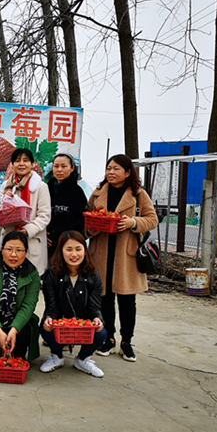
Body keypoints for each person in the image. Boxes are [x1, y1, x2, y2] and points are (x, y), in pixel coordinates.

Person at [86, 154, 158, 362]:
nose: (111, 172)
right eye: (108, 168)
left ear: (127, 172)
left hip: (126, 255)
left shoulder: (138, 194)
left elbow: (152, 219)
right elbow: (87, 219)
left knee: (127, 300)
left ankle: (126, 342)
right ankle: (108, 339)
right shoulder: (98, 193)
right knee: (104, 299)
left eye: (116, 168)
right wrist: (94, 226)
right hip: (101, 252)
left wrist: (132, 223)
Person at [40, 230, 107, 377]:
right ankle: (56, 357)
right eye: (69, 249)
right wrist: (49, 318)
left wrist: (97, 318)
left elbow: (94, 306)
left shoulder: (93, 275)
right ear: (61, 251)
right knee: (46, 328)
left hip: (84, 322)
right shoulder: (51, 275)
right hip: (61, 321)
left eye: (78, 249)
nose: (74, 254)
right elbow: (52, 306)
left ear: (85, 251)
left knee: (101, 333)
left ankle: (83, 359)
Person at [0, 230, 40, 365]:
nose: (13, 254)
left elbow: (28, 305)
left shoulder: (32, 273)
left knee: (24, 332)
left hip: (17, 320)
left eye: (19, 250)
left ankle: (18, 355)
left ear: (26, 252)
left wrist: (14, 329)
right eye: (9, 249)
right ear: (2, 250)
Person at [0, 148, 51, 275]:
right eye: (17, 161)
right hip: (9, 238)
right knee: (6, 279)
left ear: (32, 164)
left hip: (31, 240)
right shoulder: (6, 185)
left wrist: (27, 230)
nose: (21, 164)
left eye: (25, 160)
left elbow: (44, 215)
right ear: (12, 164)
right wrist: (5, 200)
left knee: (29, 279)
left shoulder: (41, 187)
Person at [46, 153, 88, 258]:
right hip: (46, 244)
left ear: (72, 168)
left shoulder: (77, 192)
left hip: (69, 245)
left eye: (64, 166)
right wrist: (42, 234)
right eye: (56, 166)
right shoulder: (46, 189)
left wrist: (69, 240)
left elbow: (80, 222)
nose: (59, 170)